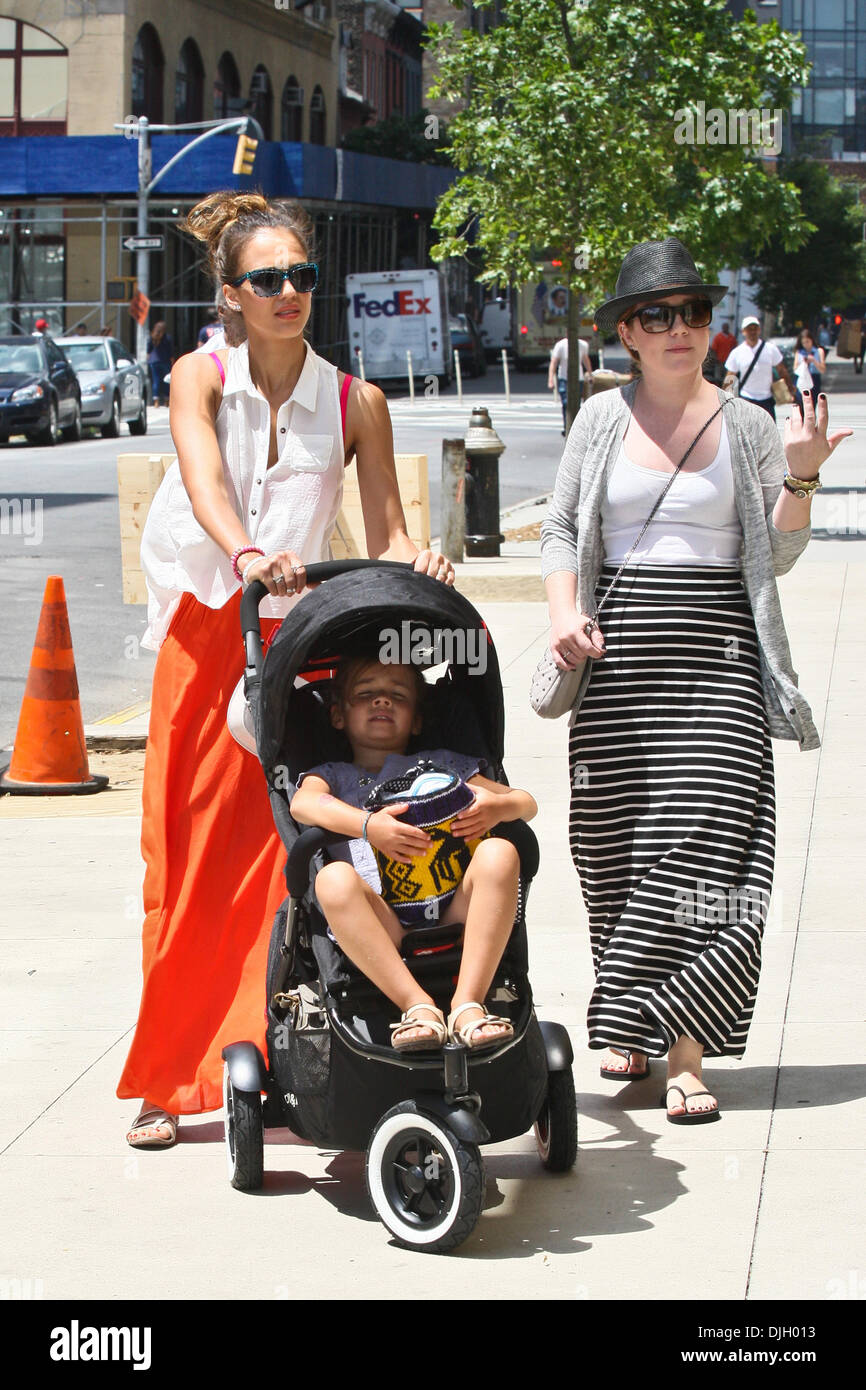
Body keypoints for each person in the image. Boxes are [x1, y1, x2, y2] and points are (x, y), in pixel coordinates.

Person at [119, 190, 456, 1148]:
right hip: (208, 630)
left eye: (302, 277)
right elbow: (205, 482)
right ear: (230, 294)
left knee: (287, 855)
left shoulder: (357, 401)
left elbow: (388, 530)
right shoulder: (199, 376)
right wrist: (246, 556)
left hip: (300, 646)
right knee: (182, 861)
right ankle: (168, 1076)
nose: (289, 293)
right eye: (267, 279)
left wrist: (417, 558)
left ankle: (278, 1053)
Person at [540, 237, 851, 1125]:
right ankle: (631, 1019)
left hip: (717, 662)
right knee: (615, 851)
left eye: (693, 312)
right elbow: (562, 525)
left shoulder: (750, 426)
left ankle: (685, 1055)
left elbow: (780, 553)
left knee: (708, 852)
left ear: (712, 327)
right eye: (656, 316)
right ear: (626, 334)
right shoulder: (599, 420)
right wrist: (564, 612)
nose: (679, 329)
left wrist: (802, 472)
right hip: (616, 659)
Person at [290, 655, 537, 1050]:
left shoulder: (444, 764)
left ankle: (468, 1003)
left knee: (501, 852)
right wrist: (369, 826)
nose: (382, 701)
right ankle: (417, 1004)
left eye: (397, 695)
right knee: (331, 880)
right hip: (383, 926)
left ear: (418, 720)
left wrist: (497, 807)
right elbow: (303, 805)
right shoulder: (332, 775)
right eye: (366, 693)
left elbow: (526, 803)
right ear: (338, 716)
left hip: (456, 911)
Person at [723, 315, 793, 419]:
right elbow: (730, 377)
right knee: (746, 433)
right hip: (746, 399)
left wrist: (790, 387)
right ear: (743, 332)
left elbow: (781, 370)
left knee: (768, 433)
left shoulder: (770, 349)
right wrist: (725, 399)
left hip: (766, 400)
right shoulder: (737, 352)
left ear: (759, 330)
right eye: (749, 329)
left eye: (755, 328)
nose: (752, 332)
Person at [548, 335, 592, 434]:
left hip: (578, 378)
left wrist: (590, 373)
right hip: (563, 377)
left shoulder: (582, 345)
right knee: (565, 403)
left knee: (576, 403)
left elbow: (585, 359)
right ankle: (567, 425)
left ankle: (576, 425)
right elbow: (554, 362)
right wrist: (551, 379)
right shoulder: (560, 345)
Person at [793, 328, 826, 418]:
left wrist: (814, 361)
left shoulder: (819, 351)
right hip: (802, 379)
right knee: (801, 405)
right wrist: (802, 363)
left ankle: (811, 428)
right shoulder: (799, 352)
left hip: (814, 379)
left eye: (807, 342)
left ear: (811, 340)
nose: (806, 345)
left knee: (812, 407)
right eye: (803, 343)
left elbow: (823, 369)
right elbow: (795, 368)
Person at [146, 321, 174, 407]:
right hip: (165, 361)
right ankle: (166, 400)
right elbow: (171, 352)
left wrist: (148, 362)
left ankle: (156, 401)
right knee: (166, 381)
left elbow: (148, 352)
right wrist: (173, 362)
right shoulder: (167, 338)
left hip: (154, 362)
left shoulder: (152, 338)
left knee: (156, 381)